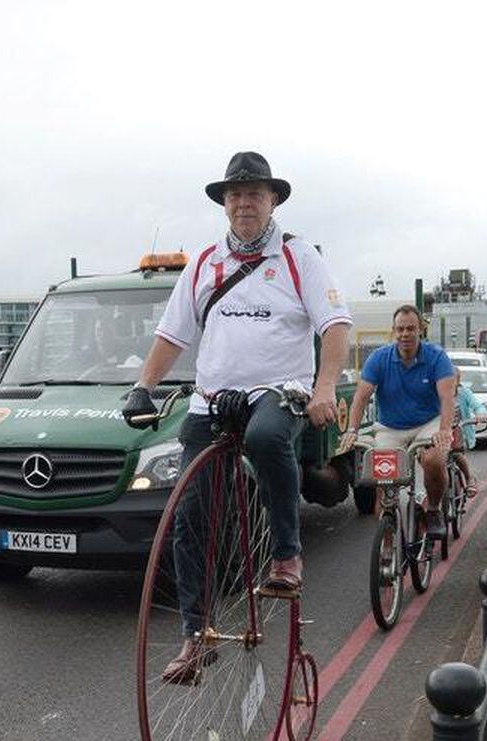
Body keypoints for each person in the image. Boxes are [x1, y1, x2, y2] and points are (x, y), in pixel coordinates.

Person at [122, 151, 351, 681]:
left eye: (255, 193)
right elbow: (172, 334)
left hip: (280, 390)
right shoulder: (205, 264)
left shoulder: (299, 259)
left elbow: (334, 326)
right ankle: (194, 636)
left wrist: (323, 388)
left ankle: (287, 556)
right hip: (213, 397)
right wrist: (142, 388)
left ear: (273, 201)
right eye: (235, 195)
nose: (244, 202)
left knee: (269, 437)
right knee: (188, 515)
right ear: (224, 204)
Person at [338, 305, 456, 535]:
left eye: (410, 329)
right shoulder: (379, 359)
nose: (405, 334)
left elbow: (447, 397)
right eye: (400, 329)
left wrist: (444, 430)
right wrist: (352, 429)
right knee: (383, 480)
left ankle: (432, 510)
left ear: (420, 330)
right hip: (390, 428)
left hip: (427, 423)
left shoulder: (437, 357)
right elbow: (361, 397)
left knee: (434, 460)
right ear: (394, 331)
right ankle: (387, 539)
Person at [451, 368, 487, 497]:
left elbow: (478, 406)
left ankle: (469, 478)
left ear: (458, 381)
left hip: (459, 432)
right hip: (440, 434)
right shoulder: (437, 393)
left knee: (456, 454)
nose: (449, 382)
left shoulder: (464, 393)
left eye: (453, 379)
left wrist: (480, 414)